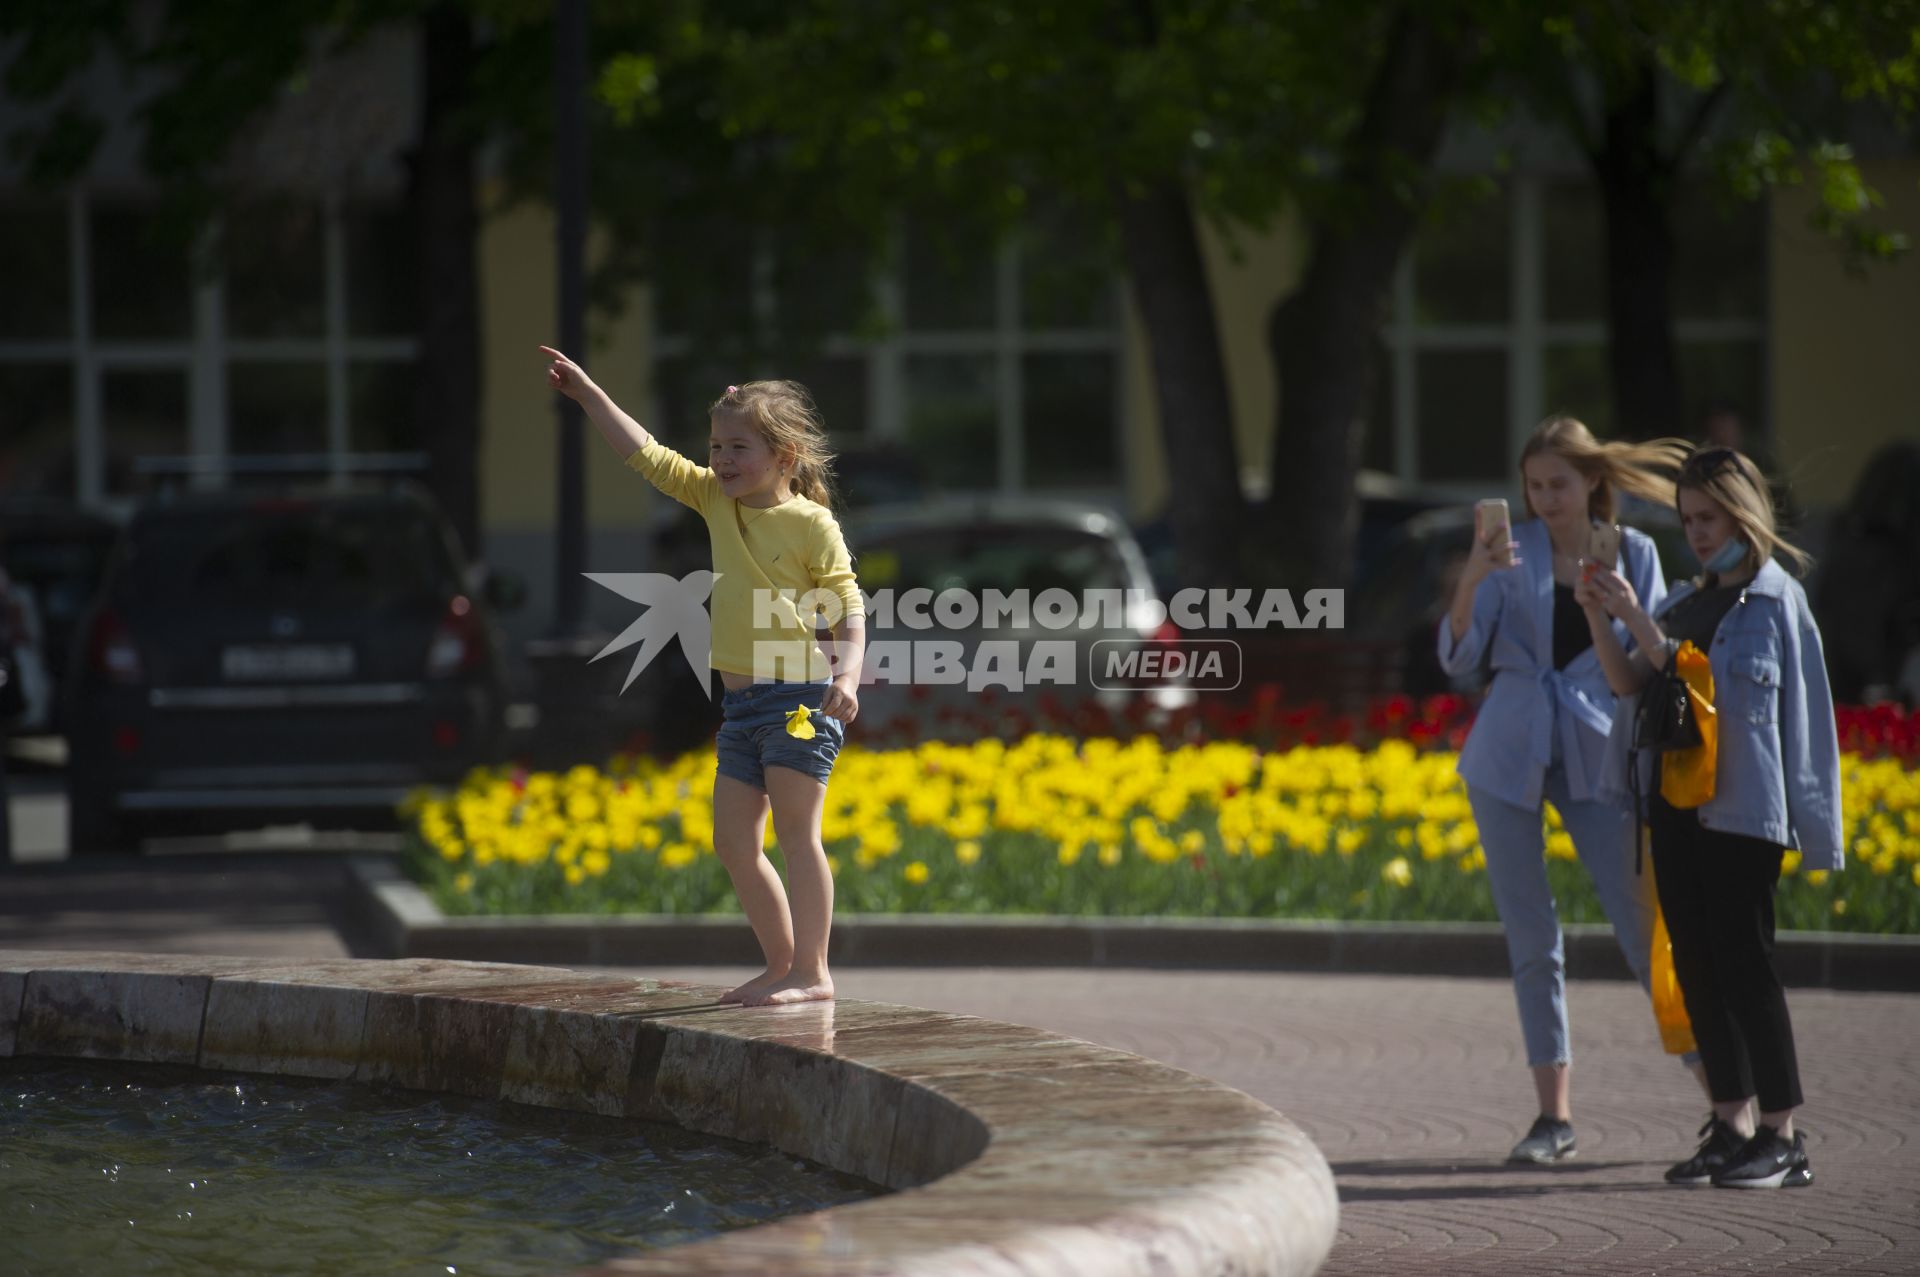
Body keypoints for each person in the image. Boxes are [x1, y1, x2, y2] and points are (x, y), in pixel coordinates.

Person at [541, 346, 865, 1007]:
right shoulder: (718, 502)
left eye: (738, 446)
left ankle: (814, 972)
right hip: (741, 707)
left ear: (785, 455)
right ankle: (781, 966)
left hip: (800, 699)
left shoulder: (811, 523)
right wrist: (589, 395)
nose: (721, 459)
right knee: (733, 842)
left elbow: (848, 611)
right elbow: (650, 457)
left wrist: (849, 677)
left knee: (799, 835)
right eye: (717, 445)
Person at [1438, 415, 1698, 1164]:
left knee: (1642, 923)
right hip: (1507, 749)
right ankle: (1553, 1118)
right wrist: (1473, 578)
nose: (1545, 499)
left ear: (1592, 481)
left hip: (1596, 748)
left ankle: (1724, 1094)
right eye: (1533, 486)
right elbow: (1459, 656)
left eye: (1558, 483)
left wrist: (1613, 602)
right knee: (1532, 934)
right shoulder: (1508, 553)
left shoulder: (1636, 551)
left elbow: (1650, 662)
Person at [1583, 446, 1841, 1189]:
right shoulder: (1683, 601)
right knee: (1696, 964)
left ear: (1743, 512)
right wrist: (1603, 617)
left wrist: (1816, 822)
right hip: (1674, 802)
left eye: (1708, 517)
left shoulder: (1775, 599)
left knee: (1745, 963)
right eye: (1686, 519)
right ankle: (1730, 1122)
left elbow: (1804, 715)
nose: (1696, 533)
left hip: (1743, 811)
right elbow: (1629, 679)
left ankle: (1782, 1135)